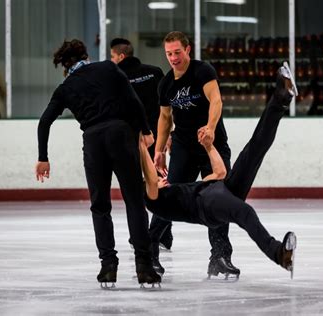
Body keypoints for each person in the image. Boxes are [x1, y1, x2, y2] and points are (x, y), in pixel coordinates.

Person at [140, 63, 298, 279]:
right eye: (156, 181)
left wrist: (208, 146)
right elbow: (148, 175)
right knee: (245, 212)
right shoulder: (156, 200)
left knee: (254, 150)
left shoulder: (176, 189)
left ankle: (280, 98)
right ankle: (279, 254)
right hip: (208, 204)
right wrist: (145, 145)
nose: (160, 179)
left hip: (218, 188)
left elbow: (220, 174)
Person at [35, 39, 161, 287]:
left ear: (65, 64)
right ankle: (144, 267)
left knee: (100, 206)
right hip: (121, 136)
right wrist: (146, 130)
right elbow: (132, 100)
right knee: (134, 202)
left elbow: (44, 122)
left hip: (93, 143)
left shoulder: (66, 87)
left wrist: (43, 157)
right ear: (86, 55)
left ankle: (107, 266)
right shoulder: (108, 68)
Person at [152, 31, 238, 278]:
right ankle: (149, 253)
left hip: (213, 146)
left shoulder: (203, 71)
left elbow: (216, 101)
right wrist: (159, 150)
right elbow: (165, 118)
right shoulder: (166, 83)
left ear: (188, 50)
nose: (173, 58)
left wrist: (210, 127)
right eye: (169, 54)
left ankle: (220, 256)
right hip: (183, 148)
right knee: (168, 198)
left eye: (177, 52)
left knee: (219, 199)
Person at [109, 38, 173, 252]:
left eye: (112, 56)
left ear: (120, 56)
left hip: (133, 139)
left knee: (136, 188)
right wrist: (169, 134)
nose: (111, 61)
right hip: (158, 139)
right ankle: (164, 233)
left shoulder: (117, 77)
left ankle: (142, 233)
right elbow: (169, 105)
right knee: (159, 184)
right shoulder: (155, 71)